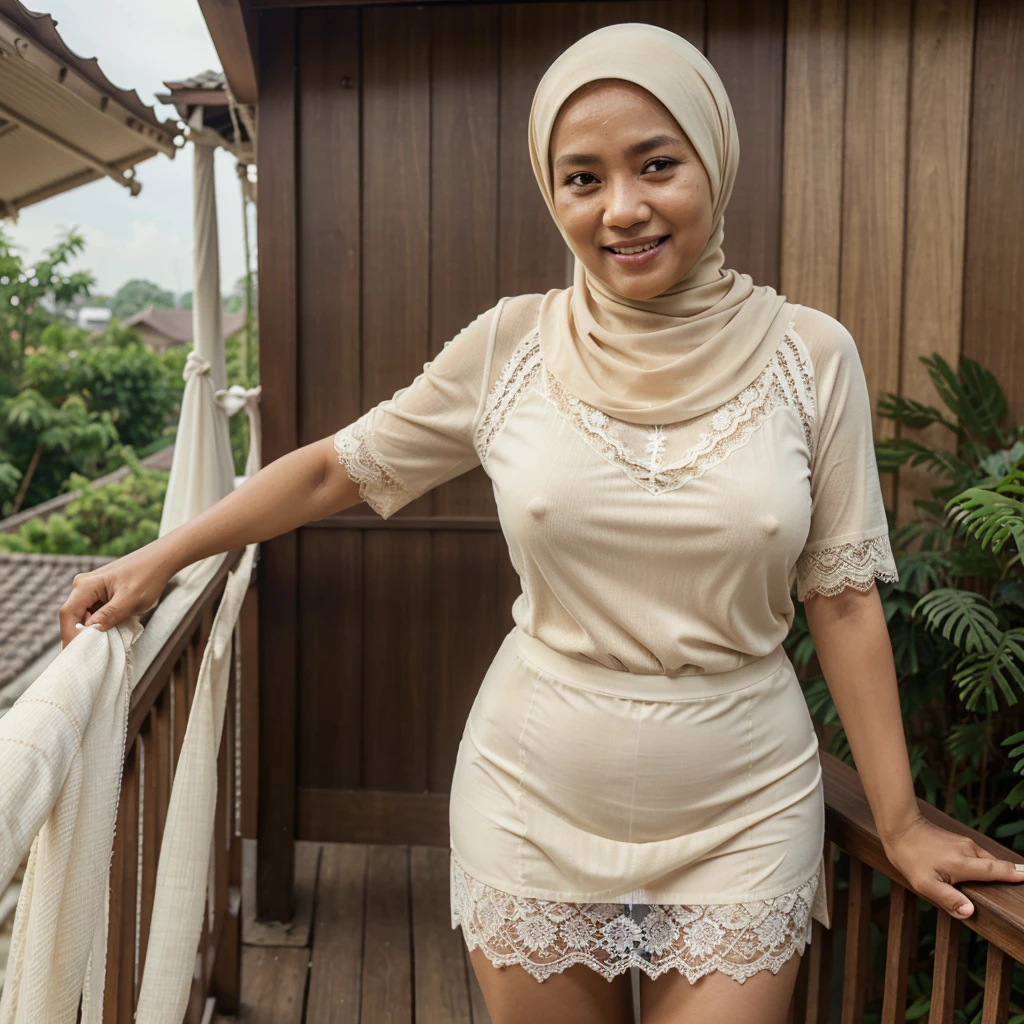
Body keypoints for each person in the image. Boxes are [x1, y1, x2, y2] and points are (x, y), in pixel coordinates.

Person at [59, 22, 1024, 1024]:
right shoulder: (512, 344)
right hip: (533, 794)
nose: (622, 208)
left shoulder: (810, 355)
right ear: (551, 192)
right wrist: (162, 554)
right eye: (581, 178)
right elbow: (329, 471)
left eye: (656, 164)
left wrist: (901, 821)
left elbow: (844, 598)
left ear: (713, 161)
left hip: (742, 803)